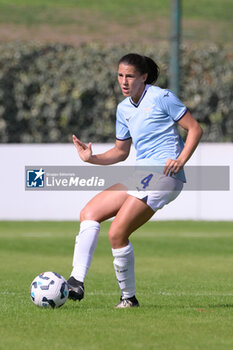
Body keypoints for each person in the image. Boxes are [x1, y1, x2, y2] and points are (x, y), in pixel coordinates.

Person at [67, 53, 203, 308]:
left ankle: (128, 298)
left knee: (117, 232)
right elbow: (120, 152)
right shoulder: (124, 108)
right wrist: (91, 158)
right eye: (120, 75)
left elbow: (195, 128)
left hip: (164, 175)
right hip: (142, 176)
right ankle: (76, 281)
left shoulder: (162, 97)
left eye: (130, 76)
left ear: (144, 77)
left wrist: (181, 159)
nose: (124, 81)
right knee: (89, 212)